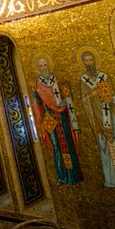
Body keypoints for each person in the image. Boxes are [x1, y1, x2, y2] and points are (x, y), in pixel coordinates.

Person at [78, 50, 115, 188]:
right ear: (83, 63)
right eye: (86, 61)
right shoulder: (84, 80)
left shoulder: (104, 77)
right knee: (104, 148)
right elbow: (84, 101)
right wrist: (91, 95)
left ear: (95, 61)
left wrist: (112, 99)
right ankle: (111, 181)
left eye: (91, 60)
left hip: (111, 115)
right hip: (98, 119)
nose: (89, 63)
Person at [32, 57, 84, 185]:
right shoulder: (38, 83)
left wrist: (66, 100)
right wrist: (35, 95)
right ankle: (62, 176)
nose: (44, 67)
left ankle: (74, 175)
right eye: (41, 65)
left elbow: (66, 96)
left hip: (62, 117)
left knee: (67, 141)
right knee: (56, 145)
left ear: (48, 66)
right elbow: (38, 103)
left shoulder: (56, 81)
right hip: (50, 119)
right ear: (39, 68)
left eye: (45, 64)